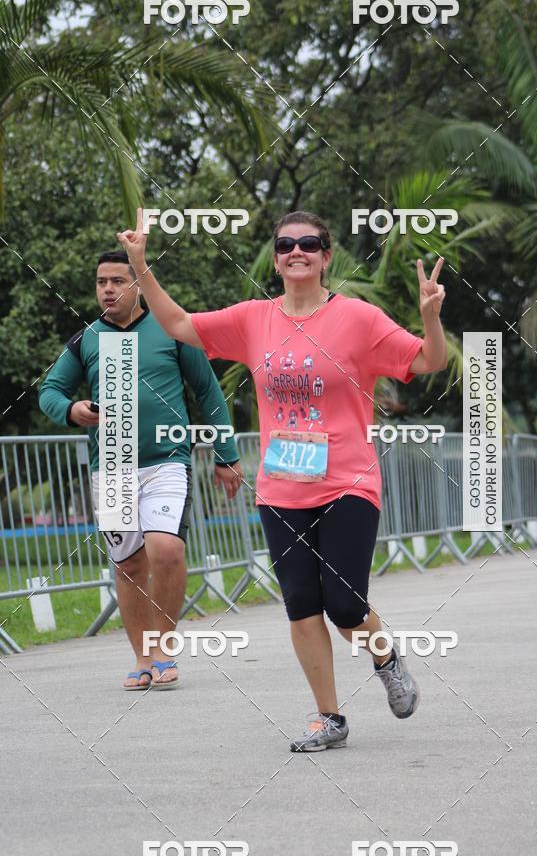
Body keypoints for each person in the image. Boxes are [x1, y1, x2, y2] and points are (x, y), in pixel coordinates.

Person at [116, 209, 447, 748]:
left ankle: (385, 658)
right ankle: (329, 718)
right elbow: (178, 324)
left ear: (325, 256)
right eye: (287, 244)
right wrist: (140, 265)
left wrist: (430, 316)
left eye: (310, 244)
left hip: (348, 481)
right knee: (301, 604)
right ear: (275, 258)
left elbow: (427, 360)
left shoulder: (358, 318)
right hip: (280, 487)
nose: (298, 252)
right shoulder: (254, 319)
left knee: (344, 605)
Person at [39, 250, 242, 690]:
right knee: (129, 564)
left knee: (165, 549)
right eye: (101, 282)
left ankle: (165, 648)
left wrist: (226, 455)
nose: (108, 289)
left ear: (137, 284)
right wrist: (72, 409)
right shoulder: (87, 338)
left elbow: (208, 393)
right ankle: (142, 657)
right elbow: (50, 391)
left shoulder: (171, 330)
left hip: (167, 462)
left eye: (117, 280)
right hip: (110, 469)